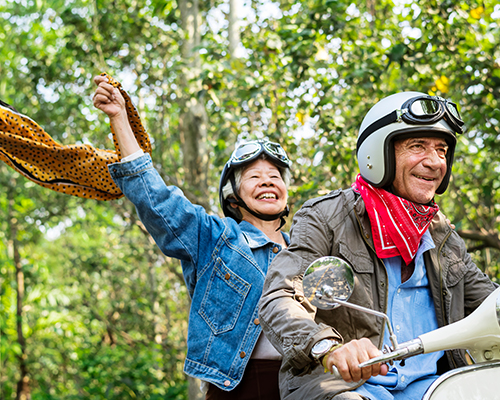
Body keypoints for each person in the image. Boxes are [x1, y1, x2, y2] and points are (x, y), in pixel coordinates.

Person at [258, 92, 498, 400]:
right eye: (417, 146)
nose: (435, 161)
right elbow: (282, 295)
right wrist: (328, 347)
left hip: (436, 388)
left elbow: (491, 302)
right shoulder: (326, 217)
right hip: (347, 387)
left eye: (442, 150)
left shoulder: (443, 237)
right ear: (378, 152)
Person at [92, 74, 291, 400]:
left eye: (274, 176)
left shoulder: (309, 249)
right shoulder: (216, 238)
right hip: (237, 387)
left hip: (306, 384)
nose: (267, 182)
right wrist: (119, 119)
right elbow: (156, 200)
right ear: (233, 196)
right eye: (254, 177)